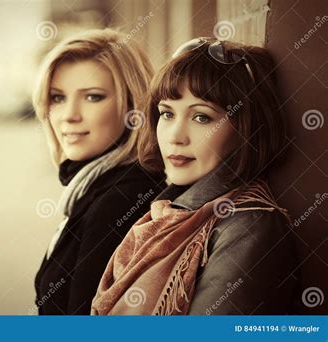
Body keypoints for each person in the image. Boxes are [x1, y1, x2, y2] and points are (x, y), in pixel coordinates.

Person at [92, 37, 297, 315]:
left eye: (201, 118)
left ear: (245, 128)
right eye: (166, 114)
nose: (175, 136)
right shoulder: (165, 211)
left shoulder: (249, 225)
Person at [33, 29, 166, 314]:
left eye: (93, 97)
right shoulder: (94, 187)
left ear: (134, 105)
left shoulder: (122, 199)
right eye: (58, 98)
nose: (69, 114)